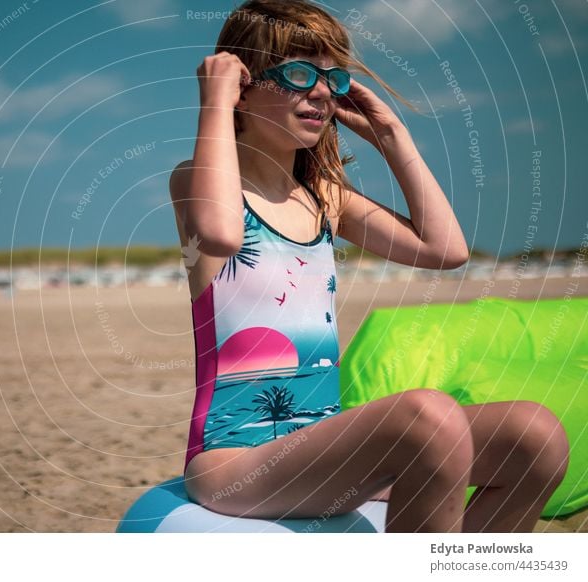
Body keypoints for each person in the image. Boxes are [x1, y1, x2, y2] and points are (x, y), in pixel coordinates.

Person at [168, 0, 569, 533]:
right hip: (234, 462)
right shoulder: (195, 182)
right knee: (428, 415)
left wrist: (390, 136)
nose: (319, 91)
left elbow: (445, 250)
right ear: (243, 81)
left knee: (534, 435)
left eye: (332, 79)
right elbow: (220, 232)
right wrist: (215, 100)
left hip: (324, 453)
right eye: (297, 72)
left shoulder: (325, 198)